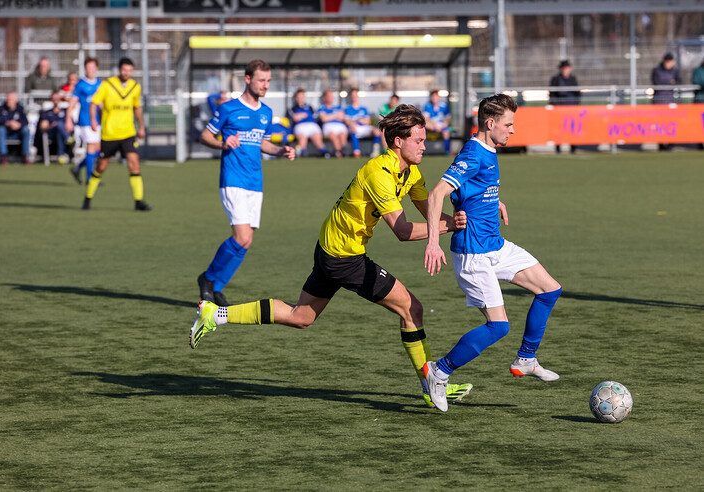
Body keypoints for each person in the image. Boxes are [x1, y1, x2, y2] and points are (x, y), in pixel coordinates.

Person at [189, 104, 473, 408]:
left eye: (424, 139)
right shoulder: (378, 172)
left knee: (302, 316)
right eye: (418, 140)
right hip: (344, 258)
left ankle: (215, 314)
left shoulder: (411, 171)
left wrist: (451, 216)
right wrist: (449, 225)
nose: (424, 145)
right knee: (411, 308)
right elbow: (402, 231)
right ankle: (432, 384)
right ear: (398, 142)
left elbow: (425, 207)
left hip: (330, 248)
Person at [423, 94, 563, 412]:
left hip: (496, 245)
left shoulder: (488, 149)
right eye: (508, 124)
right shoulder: (474, 153)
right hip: (474, 255)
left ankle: (526, 358)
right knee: (498, 326)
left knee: (550, 290)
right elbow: (436, 195)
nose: (512, 131)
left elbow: (471, 188)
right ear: (490, 123)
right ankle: (439, 371)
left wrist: (491, 202)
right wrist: (433, 242)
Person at [196, 59, 296, 307]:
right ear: (248, 79)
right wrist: (222, 143)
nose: (265, 85)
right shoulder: (229, 108)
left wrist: (281, 150)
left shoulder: (265, 112)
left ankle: (216, 287)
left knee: (247, 241)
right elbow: (205, 135)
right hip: (233, 179)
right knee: (241, 237)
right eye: (261, 80)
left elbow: (262, 143)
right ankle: (208, 280)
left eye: (268, 81)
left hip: (255, 181)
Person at [83, 57, 151, 211]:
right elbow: (94, 103)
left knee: (134, 164)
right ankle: (88, 198)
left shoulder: (135, 87)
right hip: (109, 133)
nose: (126, 73)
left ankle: (138, 201)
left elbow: (137, 107)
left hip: (128, 133)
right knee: (101, 166)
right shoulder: (107, 85)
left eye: (129, 70)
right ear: (119, 70)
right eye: (124, 70)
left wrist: (141, 126)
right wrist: (93, 120)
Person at [67, 58, 102, 184]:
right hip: (85, 120)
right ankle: (90, 178)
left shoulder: (100, 84)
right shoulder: (80, 85)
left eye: (93, 68)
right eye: (88, 68)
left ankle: (77, 168)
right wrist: (68, 119)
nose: (90, 70)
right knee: (92, 147)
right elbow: (72, 103)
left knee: (99, 149)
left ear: (97, 68)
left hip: (97, 120)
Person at [549, 60, 581, 153]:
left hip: (571, 108)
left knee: (572, 128)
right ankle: (558, 148)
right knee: (558, 128)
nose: (566, 70)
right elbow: (552, 94)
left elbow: (577, 93)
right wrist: (554, 105)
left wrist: (576, 104)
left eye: (567, 68)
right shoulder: (555, 79)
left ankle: (573, 147)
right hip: (559, 108)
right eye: (564, 68)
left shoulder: (573, 79)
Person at [288, 88, 327, 157]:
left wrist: (304, 116)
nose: (300, 99)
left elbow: (315, 116)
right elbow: (293, 118)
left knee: (318, 140)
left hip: (312, 125)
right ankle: (299, 153)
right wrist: (300, 116)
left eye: (302, 97)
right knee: (302, 140)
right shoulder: (292, 108)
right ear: (295, 98)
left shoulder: (310, 107)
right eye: (298, 97)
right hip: (300, 126)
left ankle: (325, 153)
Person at [0, 91, 31, 165]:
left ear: (16, 100)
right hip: (6, 132)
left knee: (26, 130)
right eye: (8, 99)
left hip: (17, 133)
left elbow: (25, 121)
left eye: (11, 99)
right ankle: (3, 156)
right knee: (0, 129)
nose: (8, 101)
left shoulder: (20, 109)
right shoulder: (1, 109)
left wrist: (19, 125)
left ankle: (25, 156)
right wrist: (9, 123)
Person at [344, 88, 381, 158]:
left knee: (376, 131)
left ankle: (375, 151)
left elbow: (368, 121)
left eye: (355, 95)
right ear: (350, 97)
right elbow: (347, 121)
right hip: (354, 128)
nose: (354, 97)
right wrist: (358, 120)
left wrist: (358, 120)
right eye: (352, 95)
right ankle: (356, 152)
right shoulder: (347, 109)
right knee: (353, 129)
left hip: (364, 127)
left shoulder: (363, 108)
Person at [37, 90, 70, 164]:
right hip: (50, 133)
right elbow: (43, 126)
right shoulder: (46, 113)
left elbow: (70, 124)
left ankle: (60, 155)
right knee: (58, 125)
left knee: (60, 130)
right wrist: (52, 125)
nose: (56, 101)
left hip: (62, 133)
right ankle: (68, 138)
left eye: (57, 99)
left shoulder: (65, 111)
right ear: (51, 100)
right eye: (54, 99)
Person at [317, 89, 348, 158]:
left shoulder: (338, 107)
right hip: (328, 125)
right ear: (324, 98)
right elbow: (324, 119)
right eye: (329, 96)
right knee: (333, 134)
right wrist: (335, 115)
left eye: (332, 96)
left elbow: (342, 117)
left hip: (339, 125)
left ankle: (343, 151)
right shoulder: (322, 107)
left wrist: (330, 116)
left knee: (342, 134)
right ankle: (338, 152)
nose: (331, 98)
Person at [422, 89, 452, 155]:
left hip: (441, 125)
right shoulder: (427, 106)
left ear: (439, 97)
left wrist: (444, 124)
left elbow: (448, 118)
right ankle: (423, 150)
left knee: (446, 132)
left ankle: (447, 151)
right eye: (433, 96)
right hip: (432, 126)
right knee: (425, 125)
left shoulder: (444, 106)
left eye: (436, 96)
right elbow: (426, 118)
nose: (434, 98)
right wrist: (435, 125)